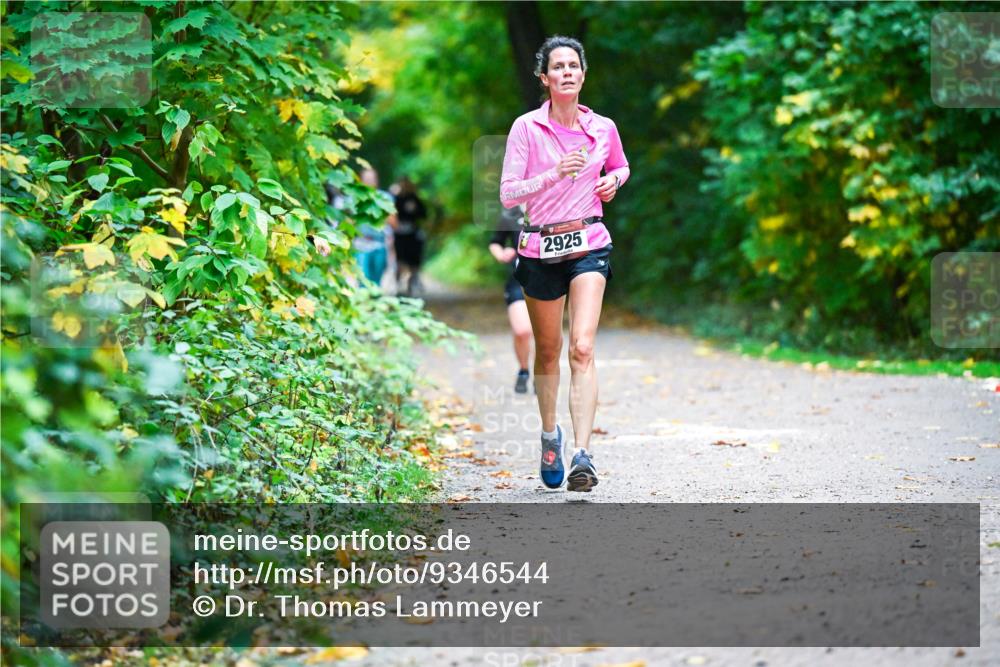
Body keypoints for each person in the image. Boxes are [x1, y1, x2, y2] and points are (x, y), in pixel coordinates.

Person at [499, 35, 629, 492]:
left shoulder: (603, 128)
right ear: (545, 78)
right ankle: (550, 435)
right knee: (550, 350)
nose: (567, 72)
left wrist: (612, 180)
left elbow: (621, 166)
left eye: (574, 65)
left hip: (589, 241)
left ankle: (582, 454)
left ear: (583, 74)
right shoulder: (526, 129)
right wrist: (554, 172)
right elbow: (508, 193)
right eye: (558, 66)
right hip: (539, 248)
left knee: (583, 348)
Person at [488, 203, 533, 394]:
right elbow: (495, 242)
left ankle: (543, 373)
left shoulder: (552, 206)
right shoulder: (510, 215)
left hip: (547, 279)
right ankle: (524, 370)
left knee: (543, 331)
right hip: (518, 280)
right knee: (522, 330)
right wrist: (501, 254)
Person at [353, 167, 396, 287]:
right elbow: (349, 222)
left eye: (372, 179)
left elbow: (394, 223)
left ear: (377, 180)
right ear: (360, 180)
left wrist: (379, 211)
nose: (370, 181)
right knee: (363, 281)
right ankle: (364, 304)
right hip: (361, 245)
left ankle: (373, 304)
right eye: (367, 179)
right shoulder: (354, 198)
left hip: (379, 244)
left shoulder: (385, 198)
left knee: (376, 283)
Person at [393, 176, 428, 296]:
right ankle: (398, 285)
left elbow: (424, 215)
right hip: (400, 235)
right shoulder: (396, 199)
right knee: (400, 260)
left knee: (413, 261)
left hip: (413, 234)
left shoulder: (415, 199)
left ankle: (412, 283)